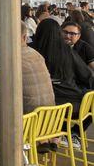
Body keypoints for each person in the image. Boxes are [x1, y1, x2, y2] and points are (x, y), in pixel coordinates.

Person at [32, 18, 94, 148]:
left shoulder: (31, 51)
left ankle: (53, 136)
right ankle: (69, 134)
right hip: (72, 107)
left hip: (41, 110)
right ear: (58, 33)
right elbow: (87, 75)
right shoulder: (67, 51)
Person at [20, 21, 55, 113]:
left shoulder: (9, 58)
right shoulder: (36, 54)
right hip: (50, 118)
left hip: (28, 120)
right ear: (25, 37)